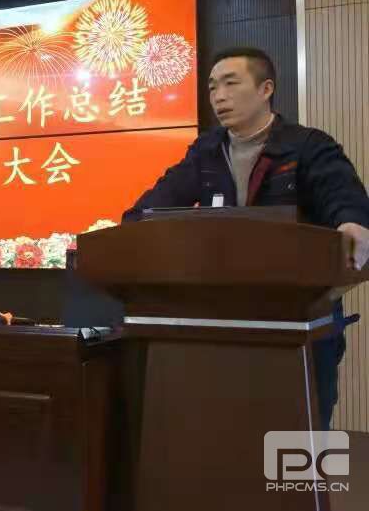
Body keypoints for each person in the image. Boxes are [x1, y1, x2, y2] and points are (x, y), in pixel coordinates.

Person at [124, 47, 369, 429]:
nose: (218, 96)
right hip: (227, 315)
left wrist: (353, 224)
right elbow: (150, 208)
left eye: (230, 83)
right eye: (212, 87)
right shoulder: (206, 151)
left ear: (265, 89)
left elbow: (344, 200)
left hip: (301, 313)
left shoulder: (307, 145)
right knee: (233, 429)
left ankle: (305, 471)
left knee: (303, 431)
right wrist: (131, 230)